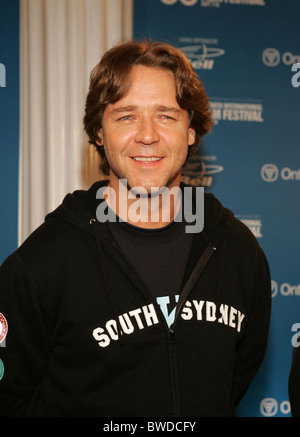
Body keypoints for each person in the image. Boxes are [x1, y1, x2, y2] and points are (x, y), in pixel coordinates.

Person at [0, 40, 271, 417]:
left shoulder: (237, 250)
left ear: (191, 131)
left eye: (166, 115)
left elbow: (233, 380)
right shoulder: (42, 263)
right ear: (98, 132)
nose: (147, 135)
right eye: (126, 116)